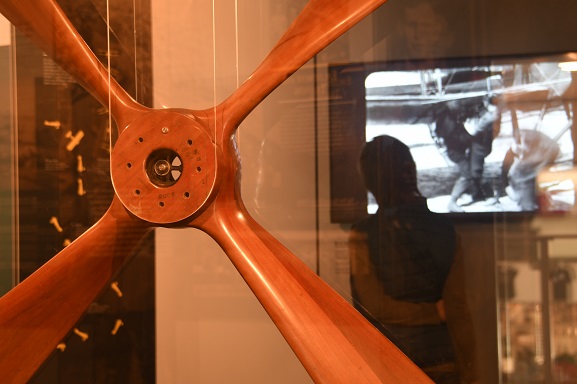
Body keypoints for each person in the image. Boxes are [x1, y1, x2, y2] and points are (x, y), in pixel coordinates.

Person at [349, 135, 478, 384]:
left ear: (371, 182)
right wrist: (472, 373)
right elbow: (456, 309)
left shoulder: (362, 234)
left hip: (388, 364)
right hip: (441, 361)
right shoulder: (444, 229)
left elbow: (375, 308)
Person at [435, 97, 500, 212]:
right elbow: (459, 137)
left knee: (475, 171)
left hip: (463, 150)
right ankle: (452, 203)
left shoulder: (448, 116)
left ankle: (479, 193)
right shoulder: (448, 121)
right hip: (457, 152)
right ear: (449, 104)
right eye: (457, 103)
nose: (460, 106)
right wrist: (469, 137)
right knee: (468, 174)